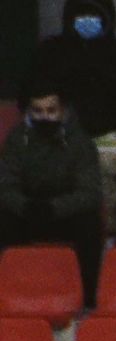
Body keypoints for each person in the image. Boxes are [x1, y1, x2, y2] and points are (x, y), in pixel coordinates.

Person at [0, 72, 104, 306]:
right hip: (27, 211)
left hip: (65, 213)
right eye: (37, 111)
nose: (44, 117)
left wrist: (54, 208)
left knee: (89, 224)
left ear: (63, 110)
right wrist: (25, 206)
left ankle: (87, 298)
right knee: (3, 221)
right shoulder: (16, 140)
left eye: (51, 110)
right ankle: (12, 295)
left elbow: (90, 193)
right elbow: (5, 186)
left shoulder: (80, 142)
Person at [31, 0, 116, 138]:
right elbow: (32, 96)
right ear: (69, 18)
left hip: (113, 138)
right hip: (60, 138)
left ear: (107, 18)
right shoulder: (50, 53)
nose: (87, 21)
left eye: (94, 15)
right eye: (81, 15)